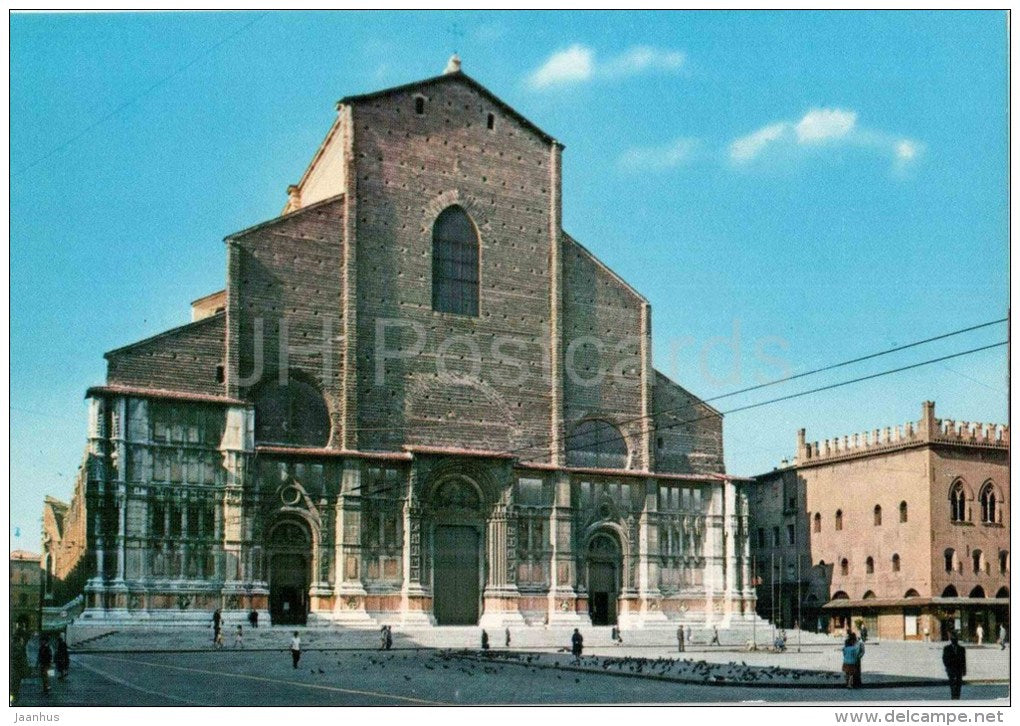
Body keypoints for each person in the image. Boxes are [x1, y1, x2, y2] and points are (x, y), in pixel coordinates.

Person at [942, 631, 966, 700]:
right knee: (952, 684)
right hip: (951, 669)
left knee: (958, 684)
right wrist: (947, 666)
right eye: (953, 639)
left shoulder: (961, 649)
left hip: (959, 669)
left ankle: (957, 697)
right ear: (951, 640)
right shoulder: (947, 648)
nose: (955, 640)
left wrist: (964, 670)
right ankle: (953, 697)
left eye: (956, 639)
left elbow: (963, 660)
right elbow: (944, 658)